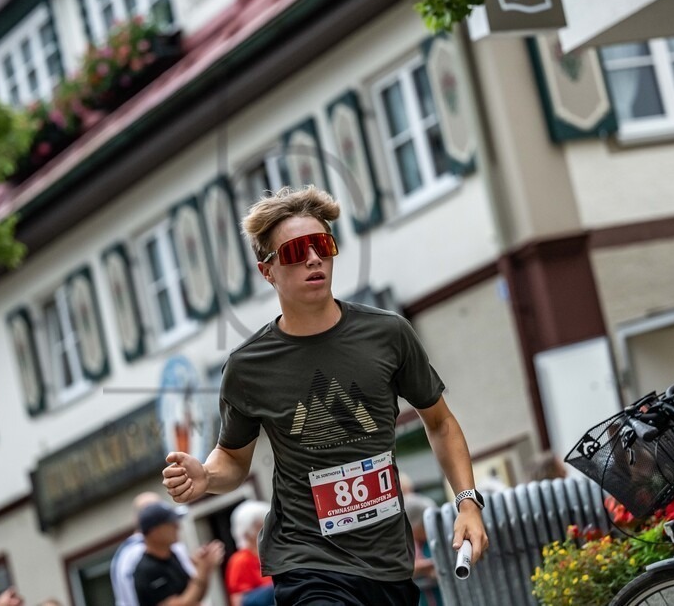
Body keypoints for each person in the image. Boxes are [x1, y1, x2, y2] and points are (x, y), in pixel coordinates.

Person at [162, 186, 489, 605]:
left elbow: (440, 422)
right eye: (297, 251)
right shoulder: (249, 366)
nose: (314, 258)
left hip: (388, 561)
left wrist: (467, 502)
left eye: (322, 245)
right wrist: (206, 476)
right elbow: (233, 459)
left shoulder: (387, 334)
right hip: (307, 560)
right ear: (268, 272)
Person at [110, 492, 196, 606]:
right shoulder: (138, 555)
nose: (176, 527)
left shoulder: (124, 552)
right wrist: (203, 573)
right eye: (170, 523)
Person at [132, 502, 224, 606]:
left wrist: (205, 568)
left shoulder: (171, 556)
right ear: (154, 531)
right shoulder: (146, 570)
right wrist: (202, 570)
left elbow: (196, 597)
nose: (177, 527)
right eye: (170, 523)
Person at [225, 500, 274, 606]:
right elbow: (238, 600)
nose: (267, 530)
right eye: (260, 527)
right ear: (247, 533)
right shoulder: (240, 560)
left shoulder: (272, 552)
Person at [403, 494, 443, 606]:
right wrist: (429, 566)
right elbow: (399, 570)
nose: (428, 530)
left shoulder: (433, 541)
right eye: (424, 526)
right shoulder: (404, 544)